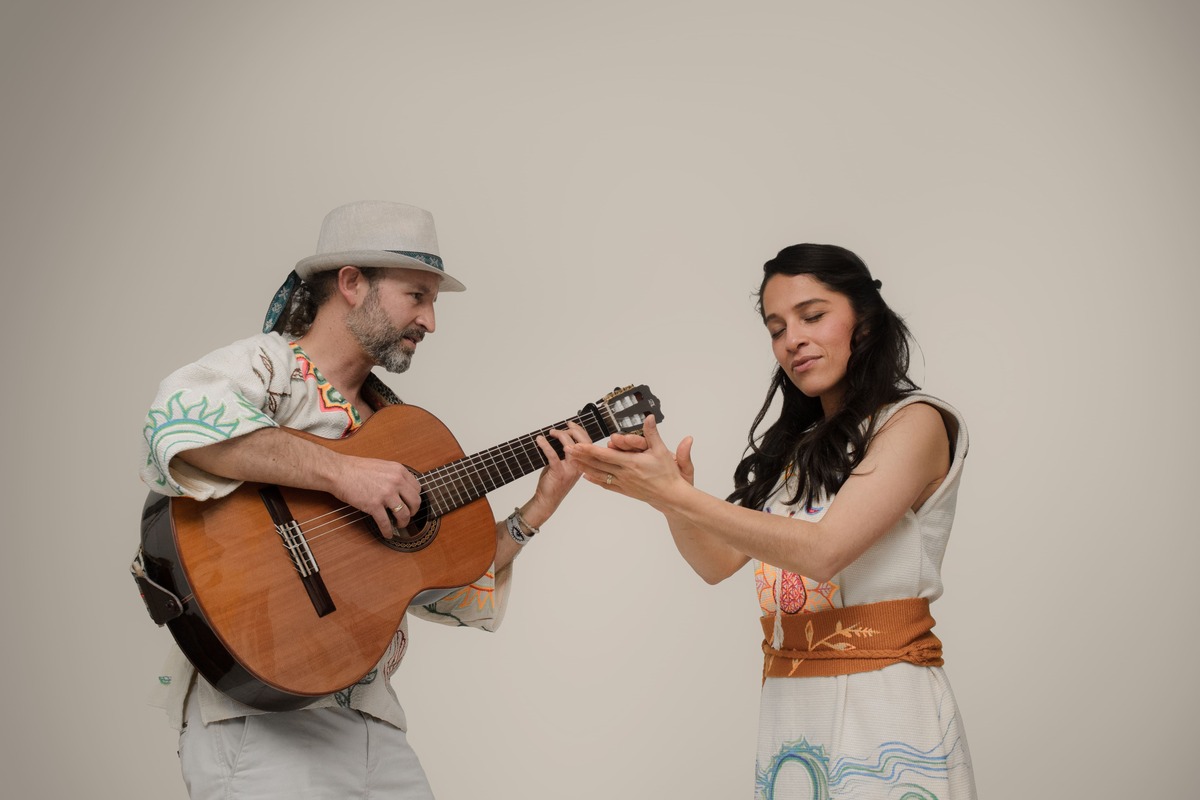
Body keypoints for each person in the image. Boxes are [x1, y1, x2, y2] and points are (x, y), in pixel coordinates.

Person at [137, 200, 590, 798]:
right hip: (261, 720)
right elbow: (177, 425)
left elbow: (442, 585)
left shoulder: (393, 423)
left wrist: (540, 508)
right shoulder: (270, 367)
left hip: (368, 717)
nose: (431, 320)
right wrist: (342, 475)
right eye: (417, 296)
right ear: (352, 283)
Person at [566, 243, 977, 799]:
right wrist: (668, 496)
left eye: (813, 316)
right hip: (792, 704)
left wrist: (678, 497)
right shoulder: (798, 451)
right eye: (776, 327)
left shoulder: (916, 422)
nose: (792, 340)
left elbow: (823, 551)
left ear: (865, 320)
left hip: (886, 705)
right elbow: (716, 564)